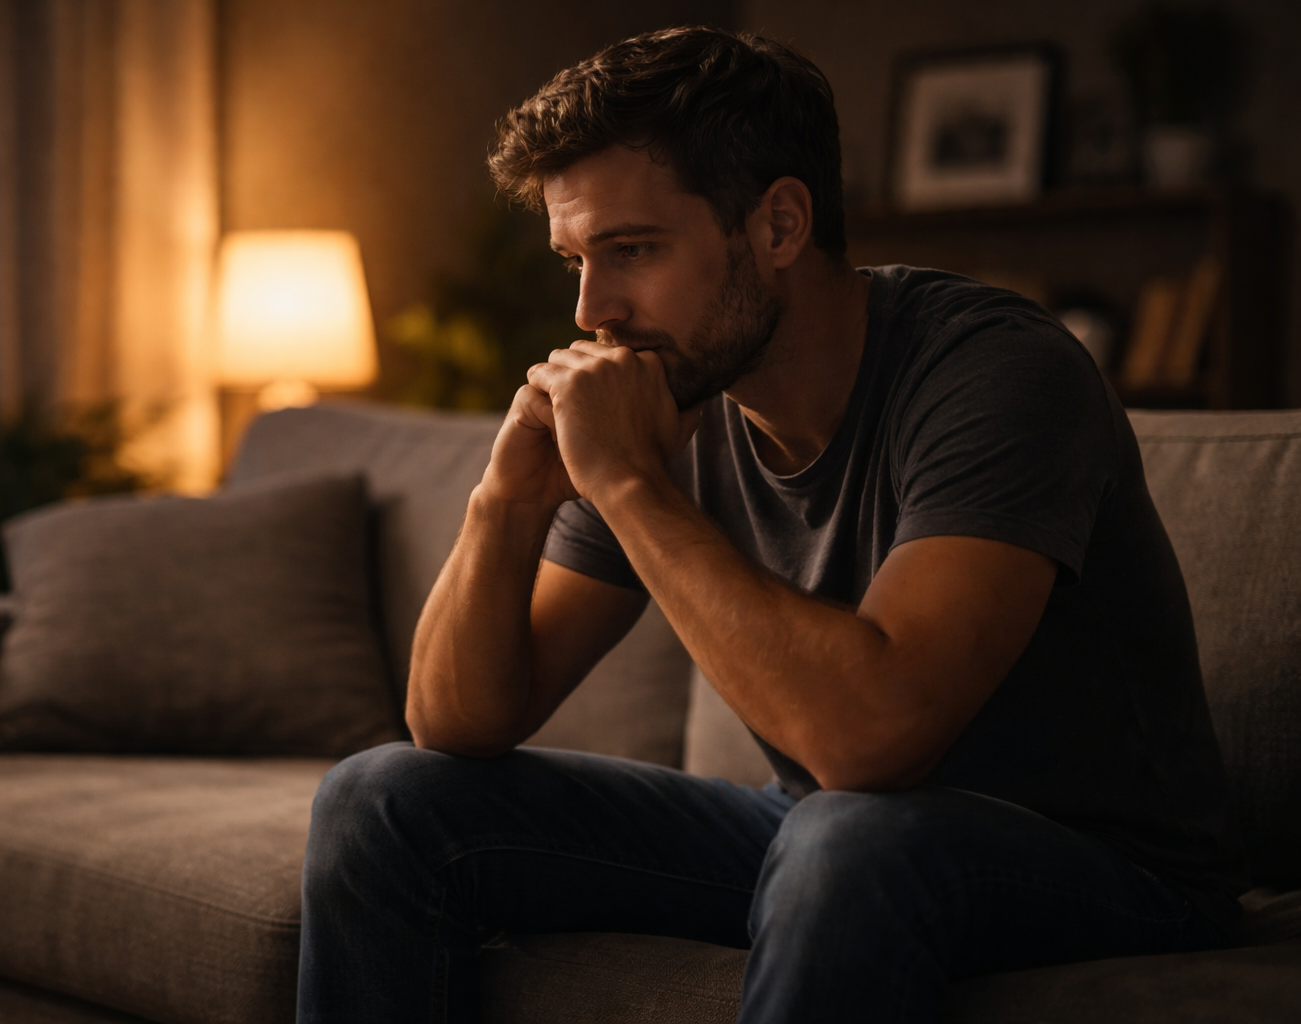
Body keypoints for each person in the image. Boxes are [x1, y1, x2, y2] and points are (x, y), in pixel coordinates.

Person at [297, 26, 1246, 1023]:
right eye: (575, 258)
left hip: (1106, 867)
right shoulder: (674, 391)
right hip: (820, 832)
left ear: (780, 225)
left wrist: (624, 482)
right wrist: (508, 494)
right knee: (383, 800)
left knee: (848, 837)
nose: (591, 310)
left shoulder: (996, 373)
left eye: (632, 250)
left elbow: (871, 741)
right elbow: (457, 722)